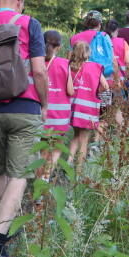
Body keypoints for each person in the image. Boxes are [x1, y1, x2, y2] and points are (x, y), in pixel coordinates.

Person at [0, 0, 48, 257]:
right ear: (19, 0)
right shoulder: (30, 24)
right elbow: (39, 71)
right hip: (24, 108)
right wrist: (44, 103)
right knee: (18, 175)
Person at [68, 41, 109, 167]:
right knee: (84, 140)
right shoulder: (95, 67)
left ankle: (68, 163)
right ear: (89, 53)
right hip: (89, 108)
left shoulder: (71, 66)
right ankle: (79, 170)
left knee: (75, 136)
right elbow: (105, 86)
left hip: (74, 108)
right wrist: (94, 92)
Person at [70, 10, 117, 119]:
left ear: (86, 23)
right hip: (103, 81)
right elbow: (113, 60)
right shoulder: (104, 36)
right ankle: (97, 136)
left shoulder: (75, 37)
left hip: (80, 83)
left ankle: (84, 135)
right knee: (102, 117)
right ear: (100, 24)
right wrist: (117, 79)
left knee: (82, 117)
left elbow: (69, 60)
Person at [40, 30, 73, 181]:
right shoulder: (64, 64)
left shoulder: (35, 62)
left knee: (41, 151)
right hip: (59, 117)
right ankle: (46, 178)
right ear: (59, 47)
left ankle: (38, 179)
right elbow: (70, 90)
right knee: (55, 149)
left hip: (41, 115)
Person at [106, 19, 129, 125]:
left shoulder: (101, 41)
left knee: (104, 109)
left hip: (103, 80)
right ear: (117, 30)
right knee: (117, 107)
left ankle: (103, 135)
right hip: (118, 80)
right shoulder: (123, 42)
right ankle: (119, 133)